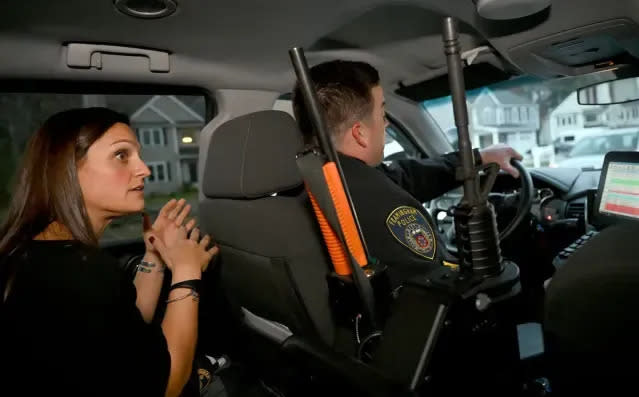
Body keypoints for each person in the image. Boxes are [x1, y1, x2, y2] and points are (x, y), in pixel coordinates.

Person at [0, 108, 218, 397]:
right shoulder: (82, 271)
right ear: (67, 170)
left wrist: (154, 255)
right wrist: (187, 272)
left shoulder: (30, 252)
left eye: (137, 155)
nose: (145, 169)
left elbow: (121, 325)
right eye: (121, 155)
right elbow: (168, 384)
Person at [293, 60, 523, 285]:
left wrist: (478, 157)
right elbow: (436, 286)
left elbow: (404, 176)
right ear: (359, 134)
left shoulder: (321, 180)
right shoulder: (382, 204)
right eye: (382, 115)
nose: (387, 125)